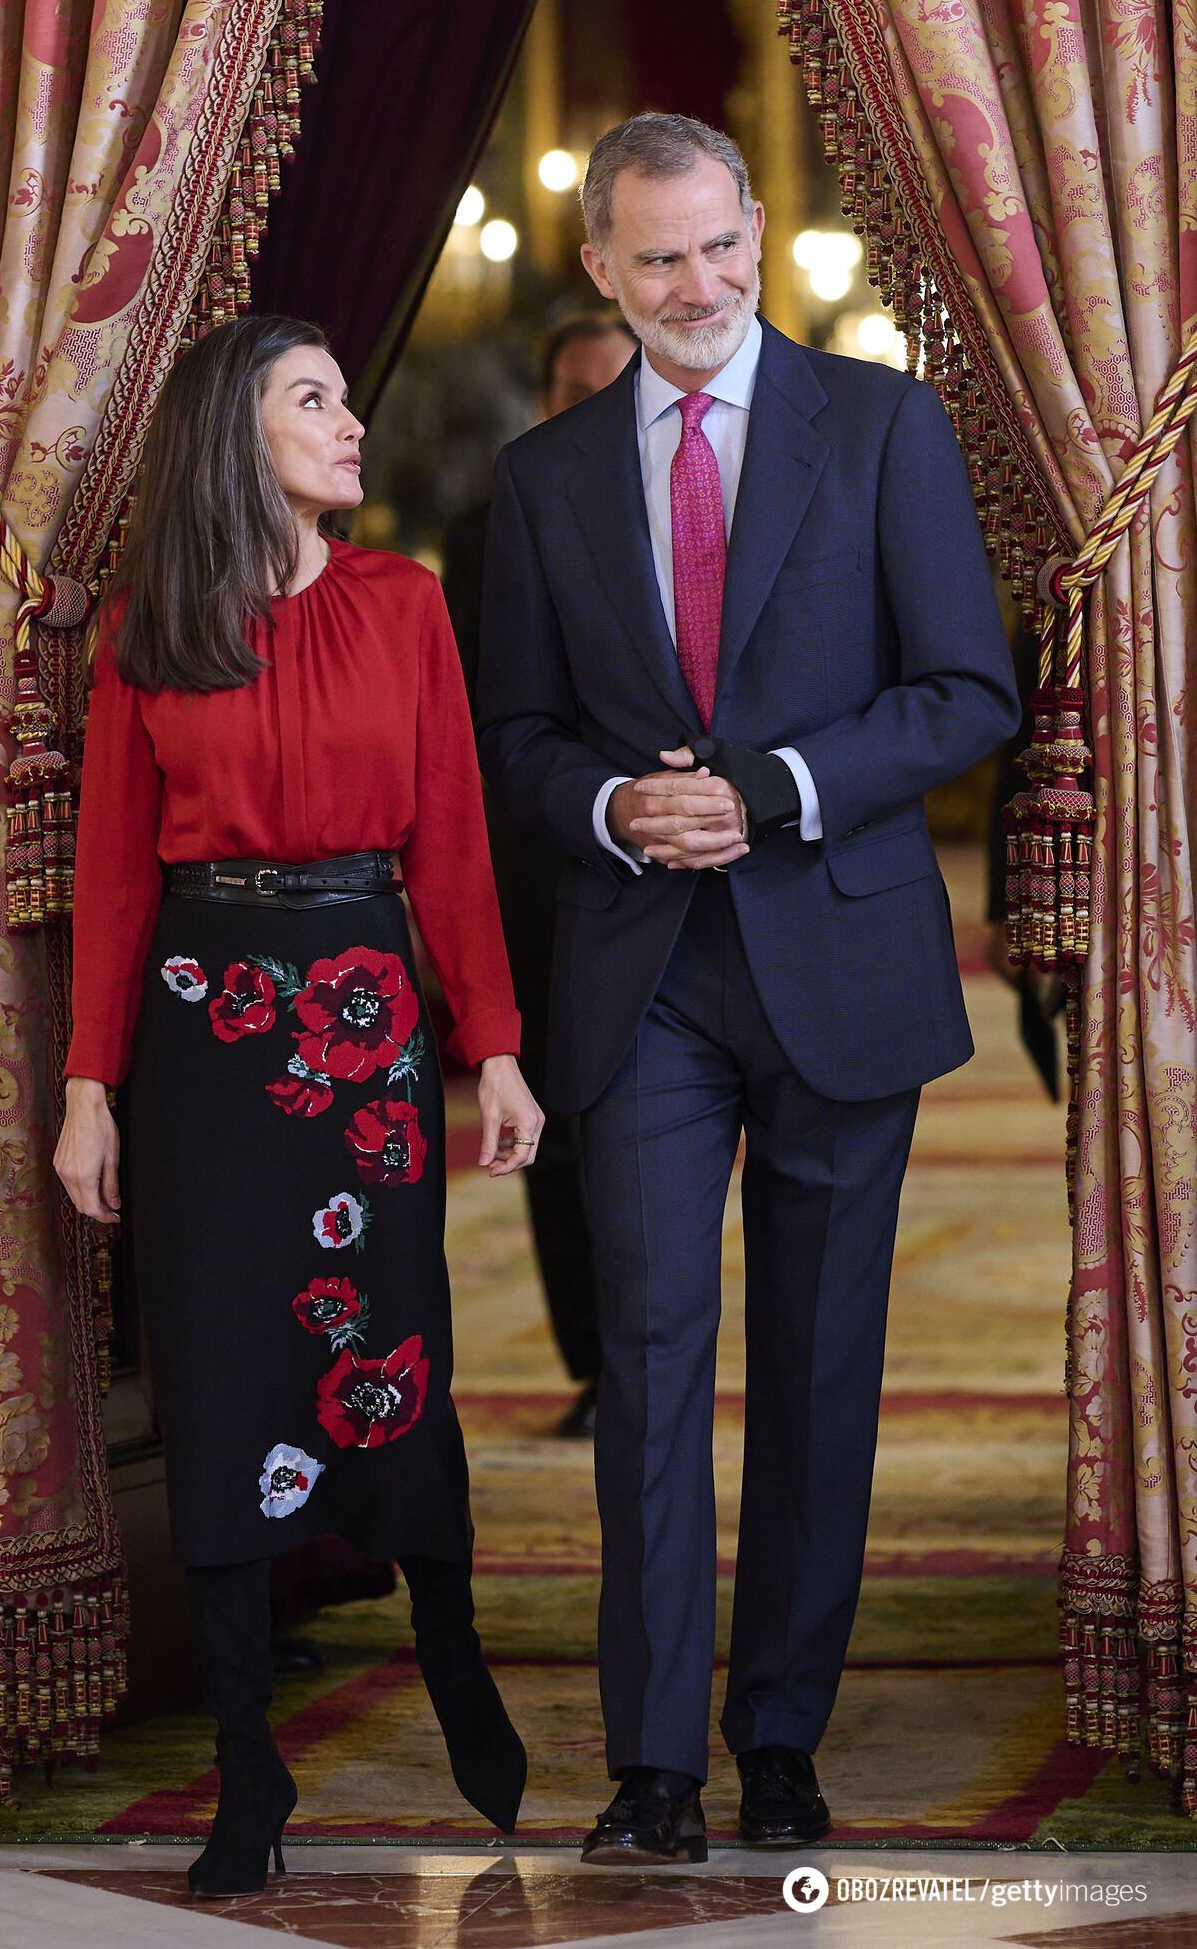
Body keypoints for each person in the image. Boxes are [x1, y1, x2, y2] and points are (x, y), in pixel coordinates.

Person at [477, 114, 1019, 1864]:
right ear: (601, 271)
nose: (694, 284)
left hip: (834, 955)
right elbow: (509, 738)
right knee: (643, 1361)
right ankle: (651, 1768)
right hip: (638, 981)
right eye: (655, 259)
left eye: (718, 248)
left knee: (812, 1367)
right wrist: (605, 805)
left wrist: (774, 790)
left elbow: (961, 693)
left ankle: (776, 1737)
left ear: (756, 230)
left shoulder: (877, 427)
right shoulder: (544, 477)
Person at [54, 314, 542, 1897]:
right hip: (203, 1036)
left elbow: (452, 844)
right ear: (233, 439)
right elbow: (116, 879)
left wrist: (497, 1044)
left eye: (344, 396)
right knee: (217, 1363)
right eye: (312, 400)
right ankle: (247, 1769)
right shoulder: (148, 626)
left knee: (389, 1336)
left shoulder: (402, 604)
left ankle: (451, 1652)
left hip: (362, 1017)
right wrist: (87, 1090)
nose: (350, 422)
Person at [443, 313, 638, 1438]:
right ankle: (603, 1369)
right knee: (560, 1127)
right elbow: (486, 717)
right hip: (542, 870)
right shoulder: (488, 525)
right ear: (542, 400)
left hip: (693, 859)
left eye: (616, 389)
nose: (595, 413)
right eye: (573, 392)